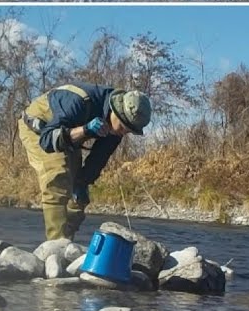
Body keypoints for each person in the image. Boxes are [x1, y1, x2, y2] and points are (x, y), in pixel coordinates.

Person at [18, 84, 151, 240]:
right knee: (58, 177)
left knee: (79, 194)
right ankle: (55, 247)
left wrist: (83, 182)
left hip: (68, 135)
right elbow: (47, 141)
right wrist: (85, 130)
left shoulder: (116, 129)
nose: (123, 132)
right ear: (115, 111)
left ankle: (67, 242)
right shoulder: (77, 102)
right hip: (39, 129)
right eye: (122, 127)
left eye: (128, 131)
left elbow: (97, 160)